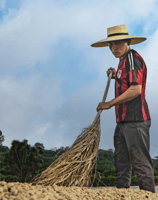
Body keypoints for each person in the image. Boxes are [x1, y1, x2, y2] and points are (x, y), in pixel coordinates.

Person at [91, 25, 155, 193]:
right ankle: (122, 195)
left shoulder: (133, 58)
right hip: (122, 121)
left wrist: (109, 103)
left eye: (118, 44)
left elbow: (135, 89)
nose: (114, 48)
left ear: (127, 42)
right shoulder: (122, 62)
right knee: (121, 162)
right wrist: (115, 75)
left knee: (140, 162)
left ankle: (148, 196)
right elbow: (126, 80)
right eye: (111, 45)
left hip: (136, 120)